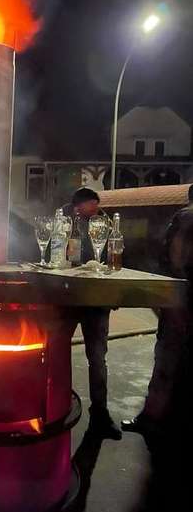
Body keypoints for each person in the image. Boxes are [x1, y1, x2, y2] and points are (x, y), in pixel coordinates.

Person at [121, 184, 193, 441]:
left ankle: (151, 420)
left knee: (167, 361)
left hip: (181, 302)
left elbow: (174, 257)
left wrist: (169, 297)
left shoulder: (185, 217)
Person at [62, 187, 121, 440]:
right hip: (69, 298)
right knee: (57, 351)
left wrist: (113, 292)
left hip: (96, 300)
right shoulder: (65, 222)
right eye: (90, 206)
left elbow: (114, 257)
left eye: (96, 205)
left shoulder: (105, 223)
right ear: (77, 206)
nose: (94, 209)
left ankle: (100, 414)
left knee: (97, 358)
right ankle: (58, 403)